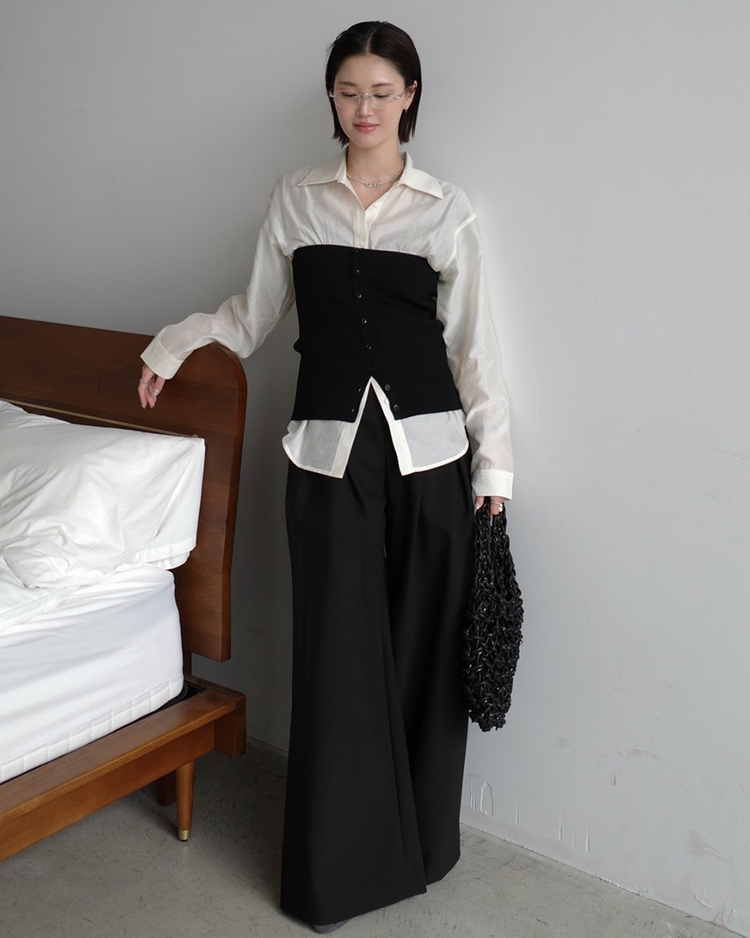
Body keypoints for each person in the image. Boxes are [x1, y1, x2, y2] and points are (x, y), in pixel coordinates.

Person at [138, 20, 513, 934]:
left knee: (424, 652)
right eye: (349, 91)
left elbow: (476, 351)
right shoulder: (296, 200)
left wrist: (495, 468)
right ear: (332, 98)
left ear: (410, 96)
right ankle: (341, 873)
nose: (364, 108)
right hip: (326, 455)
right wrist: (177, 343)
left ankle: (423, 847)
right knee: (337, 658)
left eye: (381, 92)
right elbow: (253, 313)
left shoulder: (447, 211)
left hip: (432, 458)